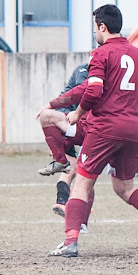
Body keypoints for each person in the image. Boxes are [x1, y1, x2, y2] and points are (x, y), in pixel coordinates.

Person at [49, 4, 138, 257]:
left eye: (95, 27)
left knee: (82, 185)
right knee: (125, 188)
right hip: (133, 129)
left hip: (105, 127)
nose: (95, 33)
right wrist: (130, 94)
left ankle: (70, 243)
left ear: (102, 26)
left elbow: (94, 90)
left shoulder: (100, 54)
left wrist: (76, 114)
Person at [36, 63, 89, 219]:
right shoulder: (86, 71)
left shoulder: (87, 70)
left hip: (65, 122)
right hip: (69, 123)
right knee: (86, 172)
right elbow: (84, 94)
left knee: (70, 167)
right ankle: (80, 216)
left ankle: (61, 202)